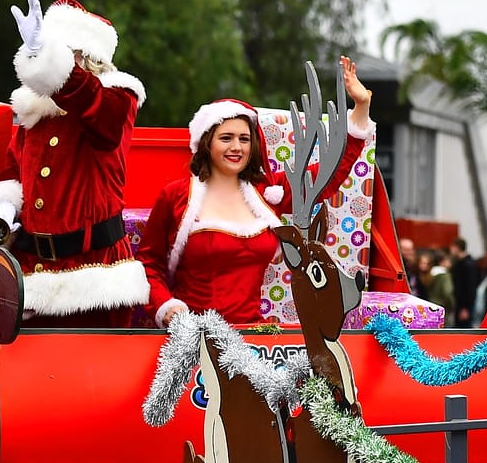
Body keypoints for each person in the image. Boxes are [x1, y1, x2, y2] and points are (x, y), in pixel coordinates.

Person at [136, 56, 373, 327]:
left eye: (244, 139)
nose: (236, 147)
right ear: (206, 143)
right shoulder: (175, 196)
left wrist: (361, 106)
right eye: (226, 138)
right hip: (190, 339)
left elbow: (331, 172)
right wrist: (167, 307)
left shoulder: (269, 193)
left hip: (254, 340)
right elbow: (148, 264)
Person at [0, 0, 149, 328]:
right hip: (35, 273)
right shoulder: (35, 111)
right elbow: (16, 169)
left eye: (58, 51)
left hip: (96, 278)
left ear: (85, 56)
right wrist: (6, 208)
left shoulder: (116, 98)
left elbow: (103, 121)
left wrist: (53, 64)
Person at [449, 237, 479, 326]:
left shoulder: (468, 265)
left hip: (465, 306)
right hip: (460, 305)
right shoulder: (460, 263)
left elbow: (471, 287)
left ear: (457, 247)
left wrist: (465, 308)